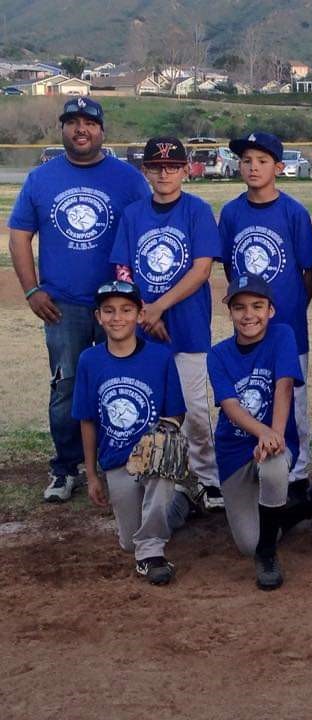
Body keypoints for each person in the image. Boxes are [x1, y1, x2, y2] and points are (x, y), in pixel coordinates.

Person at [8, 97, 151, 502]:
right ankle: (66, 466)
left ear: (102, 130)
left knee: (120, 383)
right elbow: (19, 235)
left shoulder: (127, 178)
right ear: (63, 129)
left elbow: (145, 230)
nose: (81, 129)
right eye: (72, 122)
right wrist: (32, 289)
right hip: (64, 304)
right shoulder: (42, 178)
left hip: (117, 303)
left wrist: (139, 299)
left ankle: (120, 461)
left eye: (89, 122)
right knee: (67, 387)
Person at [110, 136, 222, 511]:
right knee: (149, 409)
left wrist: (159, 306)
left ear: (185, 170)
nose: (164, 173)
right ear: (145, 171)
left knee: (195, 412)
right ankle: (152, 476)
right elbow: (123, 269)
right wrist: (144, 311)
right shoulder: (133, 214)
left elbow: (201, 269)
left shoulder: (197, 210)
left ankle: (207, 479)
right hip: (144, 329)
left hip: (187, 327)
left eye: (172, 166)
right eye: (156, 167)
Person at [219, 131, 312, 490]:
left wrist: (292, 306)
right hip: (248, 325)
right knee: (254, 393)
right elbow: (231, 268)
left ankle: (299, 473)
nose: (253, 167)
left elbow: (310, 268)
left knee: (295, 398)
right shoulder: (231, 212)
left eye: (262, 161)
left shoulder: (293, 211)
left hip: (288, 324)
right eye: (247, 161)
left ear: (278, 166)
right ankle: (260, 462)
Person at [72, 281, 186, 585]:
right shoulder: (89, 360)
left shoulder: (160, 357)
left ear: (139, 314)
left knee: (146, 536)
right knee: (128, 541)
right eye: (108, 311)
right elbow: (86, 420)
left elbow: (176, 411)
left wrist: (158, 442)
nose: (117, 317)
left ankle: (151, 556)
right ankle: (180, 507)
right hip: (117, 462)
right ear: (98, 317)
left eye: (126, 310)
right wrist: (93, 475)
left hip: (151, 458)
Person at [206, 274, 306, 590]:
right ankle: (298, 508)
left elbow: (284, 386)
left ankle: (267, 554)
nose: (249, 314)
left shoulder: (282, 336)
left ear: (271, 310)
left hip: (272, 441)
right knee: (245, 542)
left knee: (275, 466)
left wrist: (275, 436)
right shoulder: (218, 354)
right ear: (230, 313)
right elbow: (232, 407)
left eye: (257, 306)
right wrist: (263, 432)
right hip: (234, 451)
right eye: (239, 308)